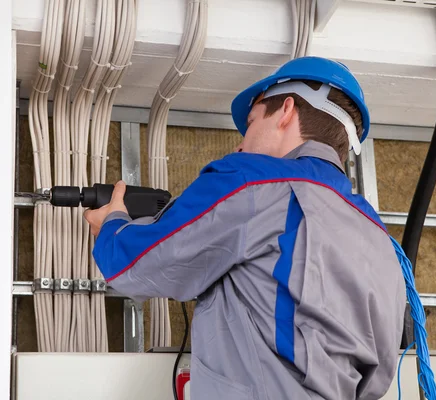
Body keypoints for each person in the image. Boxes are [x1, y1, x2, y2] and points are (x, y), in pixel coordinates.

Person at [84, 56, 406, 400]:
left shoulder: (249, 180)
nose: (240, 144)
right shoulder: (380, 236)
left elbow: (137, 263)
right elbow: (380, 369)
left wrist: (111, 224)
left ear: (286, 111)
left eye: (251, 123)